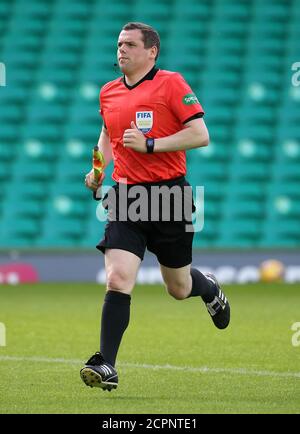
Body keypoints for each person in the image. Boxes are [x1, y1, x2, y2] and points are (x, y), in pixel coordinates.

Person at [80, 22, 230, 392]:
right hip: (127, 195)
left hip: (169, 196)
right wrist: (98, 171)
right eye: (118, 44)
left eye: (130, 44)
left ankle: (208, 289)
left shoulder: (172, 83)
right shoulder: (108, 92)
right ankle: (107, 365)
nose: (121, 50)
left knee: (178, 287)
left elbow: (200, 134)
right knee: (117, 278)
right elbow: (108, 136)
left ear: (152, 52)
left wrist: (150, 145)